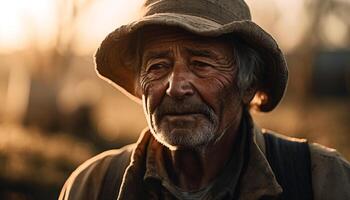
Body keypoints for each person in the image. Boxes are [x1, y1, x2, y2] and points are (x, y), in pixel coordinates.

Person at [59, 0, 350, 199]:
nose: (176, 87)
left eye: (201, 64)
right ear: (140, 84)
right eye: (158, 66)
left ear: (246, 85)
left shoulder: (322, 181)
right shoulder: (92, 187)